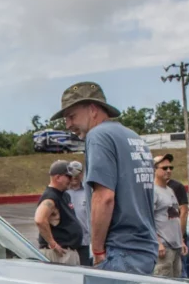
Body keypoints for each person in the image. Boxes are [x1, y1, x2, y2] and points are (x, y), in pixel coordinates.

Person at [53, 82, 157, 274]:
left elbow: (104, 197)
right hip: (144, 250)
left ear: (93, 109)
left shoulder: (98, 135)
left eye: (71, 116)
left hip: (119, 251)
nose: (68, 125)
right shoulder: (133, 137)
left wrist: (98, 249)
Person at [33, 161, 83, 266]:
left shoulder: (64, 195)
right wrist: (53, 244)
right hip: (59, 255)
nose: (71, 179)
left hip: (67, 253)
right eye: (68, 177)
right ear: (58, 177)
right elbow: (40, 219)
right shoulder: (51, 197)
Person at [151, 157, 188, 277]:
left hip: (176, 246)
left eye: (170, 167)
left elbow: (176, 215)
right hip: (164, 247)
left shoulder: (170, 190)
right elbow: (148, 219)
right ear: (154, 170)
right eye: (164, 168)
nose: (168, 170)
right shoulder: (153, 191)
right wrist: (157, 242)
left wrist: (181, 241)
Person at [64, 160, 92, 265]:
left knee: (85, 274)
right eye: (72, 174)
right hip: (66, 243)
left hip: (84, 242)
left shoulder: (88, 192)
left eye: (78, 173)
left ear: (82, 174)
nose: (75, 177)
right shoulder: (63, 192)